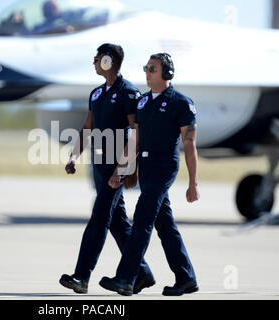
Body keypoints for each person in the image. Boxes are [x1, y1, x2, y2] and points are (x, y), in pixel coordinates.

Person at [99, 53, 200, 296]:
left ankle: (126, 278)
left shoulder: (181, 103)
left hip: (164, 167)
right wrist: (119, 171)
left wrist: (193, 182)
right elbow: (134, 141)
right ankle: (186, 277)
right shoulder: (142, 103)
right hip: (145, 168)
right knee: (165, 225)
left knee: (142, 220)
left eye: (153, 68)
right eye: (146, 68)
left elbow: (190, 144)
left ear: (167, 74)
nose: (147, 72)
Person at [59, 43, 155, 294]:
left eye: (97, 57)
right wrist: (74, 155)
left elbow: (137, 133)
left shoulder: (129, 93)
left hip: (117, 164)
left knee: (99, 216)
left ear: (108, 61)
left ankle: (81, 277)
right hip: (101, 163)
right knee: (117, 222)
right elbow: (88, 126)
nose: (94, 61)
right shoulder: (96, 93)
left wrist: (122, 169)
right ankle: (142, 272)